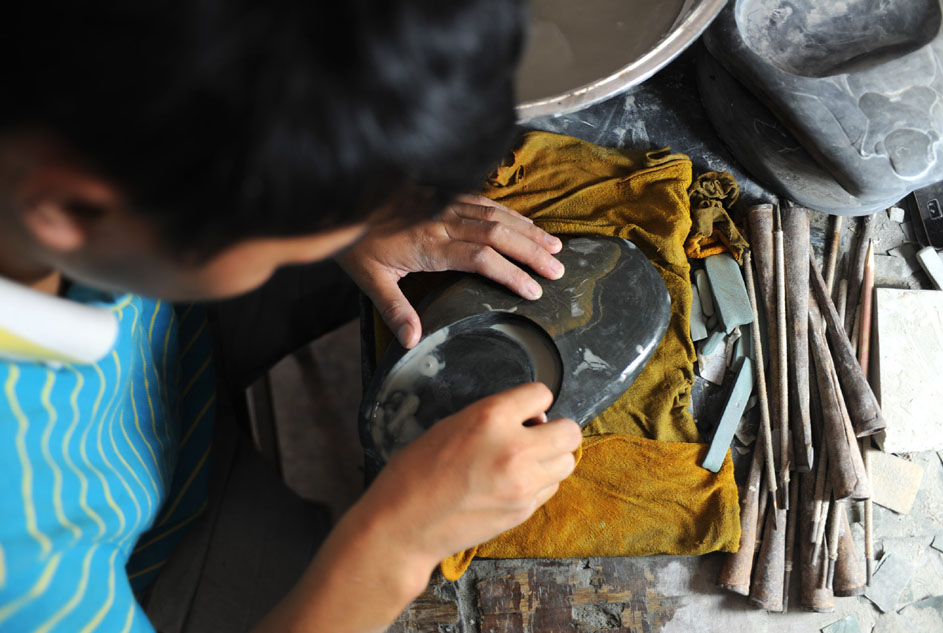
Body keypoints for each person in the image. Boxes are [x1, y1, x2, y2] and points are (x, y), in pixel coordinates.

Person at [0, 1, 583, 631]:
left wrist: (339, 201)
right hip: (139, 558)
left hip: (161, 351)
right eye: (307, 232)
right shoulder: (19, 562)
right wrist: (395, 545)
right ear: (72, 211)